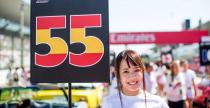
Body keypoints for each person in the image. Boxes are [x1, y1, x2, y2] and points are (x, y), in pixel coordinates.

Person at [102, 50, 169, 108]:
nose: (132, 76)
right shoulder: (109, 104)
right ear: (117, 74)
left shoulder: (158, 103)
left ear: (143, 70)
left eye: (136, 70)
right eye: (126, 71)